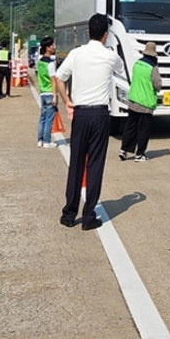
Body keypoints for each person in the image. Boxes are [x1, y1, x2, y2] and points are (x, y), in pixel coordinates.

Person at [55, 13, 122, 231]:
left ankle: (69, 213)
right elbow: (121, 70)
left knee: (76, 162)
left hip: (81, 114)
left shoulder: (76, 54)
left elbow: (59, 77)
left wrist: (67, 101)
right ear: (106, 35)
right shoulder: (110, 56)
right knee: (95, 164)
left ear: (87, 32)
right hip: (100, 115)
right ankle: (89, 215)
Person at [119, 42, 162, 162]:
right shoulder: (153, 68)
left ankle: (124, 149)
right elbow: (157, 84)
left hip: (133, 100)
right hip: (145, 103)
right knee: (143, 129)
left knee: (130, 126)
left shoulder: (137, 63)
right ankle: (140, 154)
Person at [37, 36, 58, 148]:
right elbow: (53, 80)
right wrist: (55, 96)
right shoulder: (50, 63)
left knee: (43, 117)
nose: (53, 47)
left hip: (42, 92)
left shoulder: (40, 62)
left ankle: (40, 140)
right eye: (51, 45)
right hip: (50, 92)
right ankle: (47, 141)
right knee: (49, 119)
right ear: (47, 48)